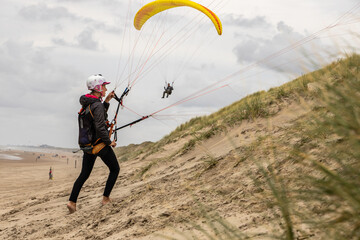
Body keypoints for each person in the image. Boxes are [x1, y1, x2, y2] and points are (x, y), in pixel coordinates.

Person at [67, 74, 120, 214]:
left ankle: (72, 202)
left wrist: (107, 102)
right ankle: (105, 199)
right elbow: (100, 126)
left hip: (88, 146)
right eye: (104, 86)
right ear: (97, 88)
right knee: (115, 169)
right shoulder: (96, 105)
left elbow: (98, 115)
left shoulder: (88, 103)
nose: (106, 88)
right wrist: (109, 143)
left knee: (84, 174)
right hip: (99, 145)